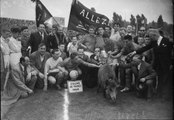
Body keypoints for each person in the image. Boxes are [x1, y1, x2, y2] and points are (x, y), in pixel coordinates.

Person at [128, 29, 173, 100]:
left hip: (166, 65)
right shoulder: (154, 42)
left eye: (151, 36)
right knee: (158, 79)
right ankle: (157, 93)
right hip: (157, 65)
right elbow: (145, 48)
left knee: (164, 80)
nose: (150, 38)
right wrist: (134, 52)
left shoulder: (167, 41)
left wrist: (171, 63)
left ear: (155, 35)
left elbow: (171, 54)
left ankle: (164, 96)